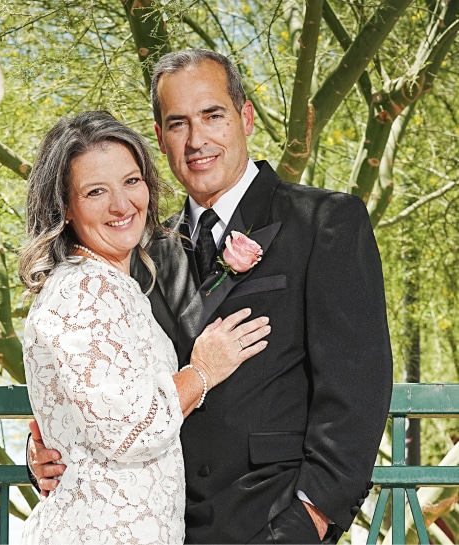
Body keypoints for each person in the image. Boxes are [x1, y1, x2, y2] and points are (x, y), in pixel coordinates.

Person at [28, 50, 394, 544]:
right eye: (178, 124)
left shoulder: (325, 222)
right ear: (160, 138)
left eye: (212, 116)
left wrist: (313, 516)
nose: (197, 140)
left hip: (273, 521)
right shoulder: (137, 249)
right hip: (163, 525)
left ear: (244, 116)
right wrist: (44, 452)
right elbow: (100, 379)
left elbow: (358, 390)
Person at [18, 110, 271, 544]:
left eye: (131, 182)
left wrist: (47, 446)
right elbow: (129, 427)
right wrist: (203, 370)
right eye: (96, 191)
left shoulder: (122, 279)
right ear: (64, 205)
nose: (121, 205)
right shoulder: (85, 289)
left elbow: (94, 403)